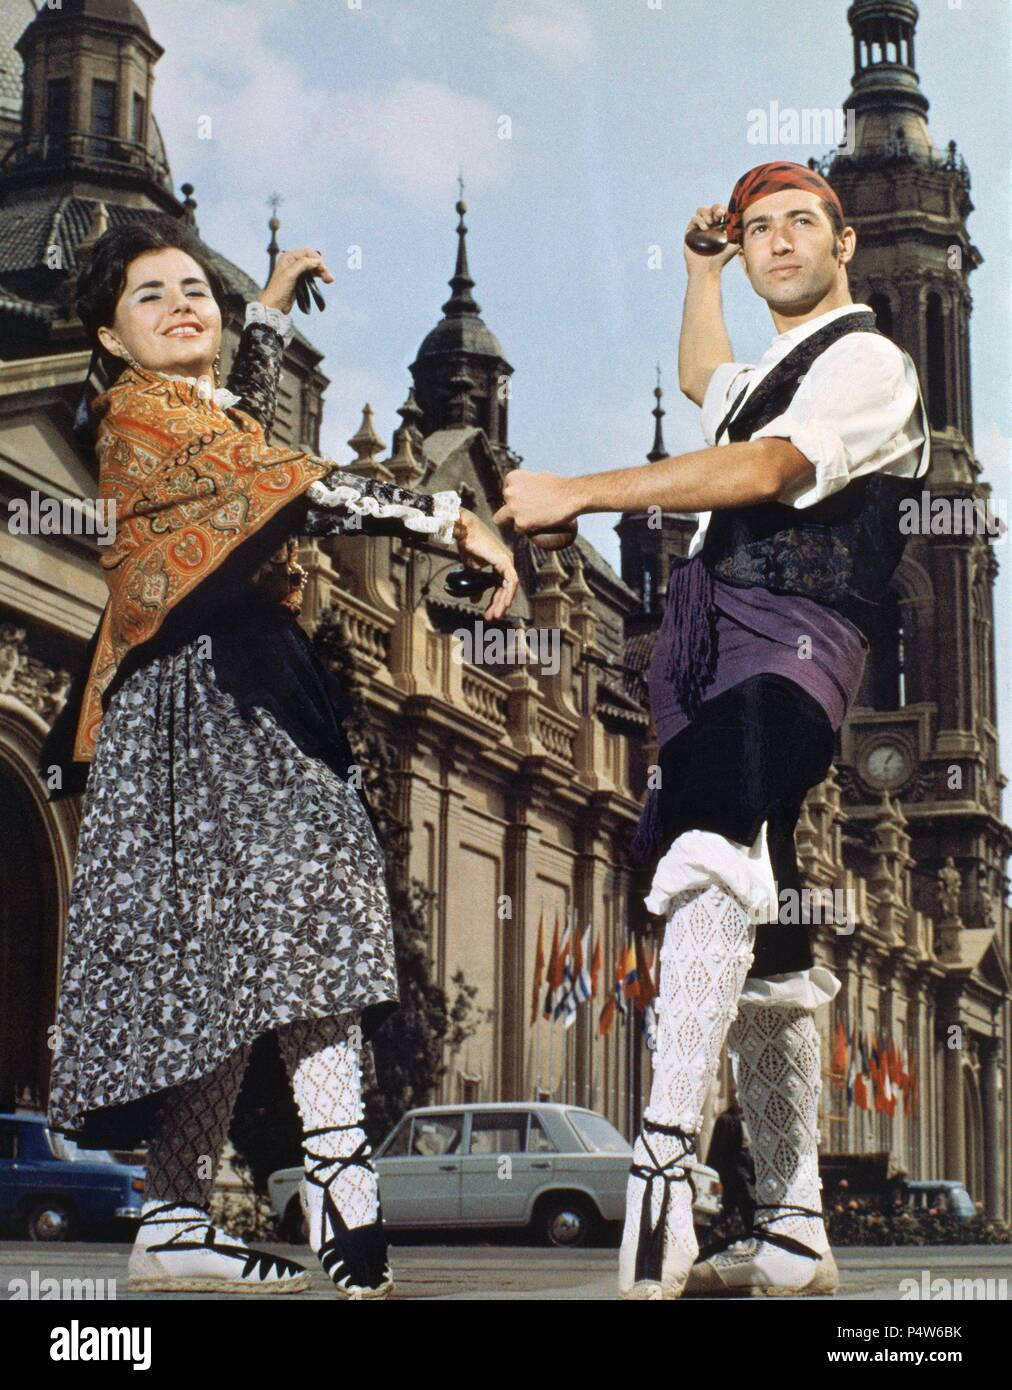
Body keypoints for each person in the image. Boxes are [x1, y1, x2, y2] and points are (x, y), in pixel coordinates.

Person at [39, 215, 517, 1298]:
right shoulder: (138, 418)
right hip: (216, 697)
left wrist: (263, 308)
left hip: (249, 685)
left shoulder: (192, 410)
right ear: (111, 341)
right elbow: (288, 476)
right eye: (150, 296)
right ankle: (346, 1189)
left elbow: (245, 433)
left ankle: (172, 1220)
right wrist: (451, 519)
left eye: (192, 288)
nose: (181, 304)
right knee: (310, 929)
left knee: (239, 966)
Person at [494, 160, 929, 1298]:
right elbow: (709, 380)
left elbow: (765, 466)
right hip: (704, 644)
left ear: (843, 245)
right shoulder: (766, 366)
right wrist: (698, 274)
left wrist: (582, 490)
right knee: (767, 929)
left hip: (794, 632)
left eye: (798, 225)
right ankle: (792, 1227)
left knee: (704, 852)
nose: (775, 244)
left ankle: (662, 1178)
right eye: (754, 234)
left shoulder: (871, 363)